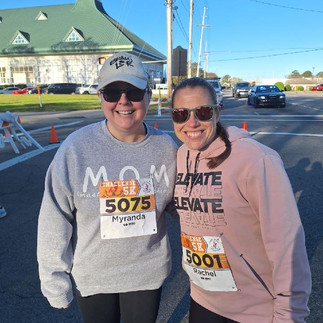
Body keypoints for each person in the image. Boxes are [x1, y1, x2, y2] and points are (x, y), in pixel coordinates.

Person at [37, 52, 177, 323]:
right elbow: (54, 217)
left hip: (146, 274)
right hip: (94, 277)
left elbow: (179, 204)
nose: (123, 101)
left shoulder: (166, 148)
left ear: (149, 95)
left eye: (133, 91)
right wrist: (54, 280)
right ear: (100, 96)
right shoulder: (76, 148)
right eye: (112, 92)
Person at [171, 77, 311, 323]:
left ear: (217, 112)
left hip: (252, 309)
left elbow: (287, 243)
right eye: (181, 114)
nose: (191, 122)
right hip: (203, 300)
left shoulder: (255, 160)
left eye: (202, 112)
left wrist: (290, 314)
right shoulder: (181, 155)